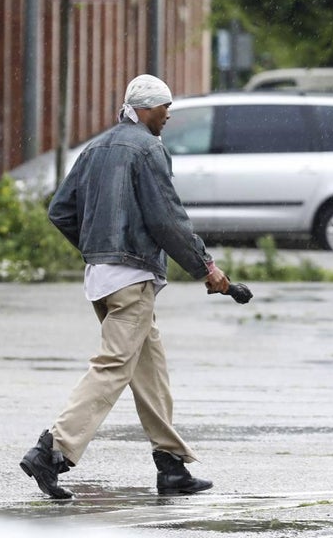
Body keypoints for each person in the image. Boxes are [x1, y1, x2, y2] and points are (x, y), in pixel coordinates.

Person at [19, 73, 230, 499]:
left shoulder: (96, 147)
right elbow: (167, 219)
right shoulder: (148, 148)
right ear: (147, 108)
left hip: (101, 278)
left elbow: (61, 211)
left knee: (150, 369)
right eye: (164, 109)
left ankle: (171, 466)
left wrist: (98, 246)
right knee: (113, 366)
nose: (168, 116)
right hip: (132, 278)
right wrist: (206, 267)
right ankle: (51, 449)